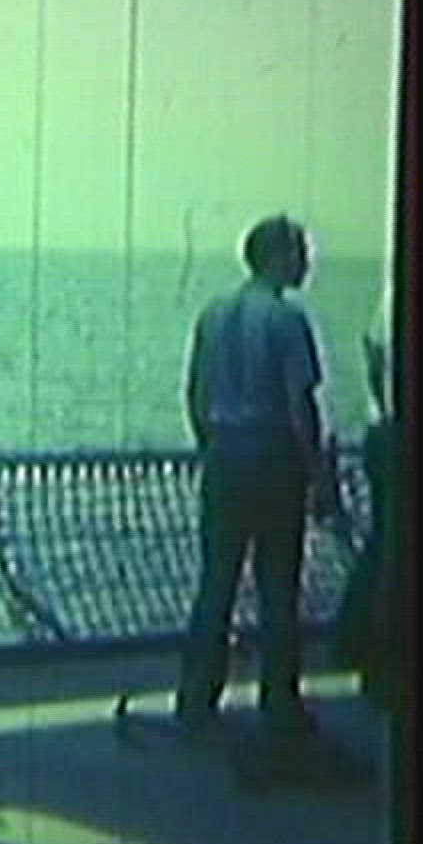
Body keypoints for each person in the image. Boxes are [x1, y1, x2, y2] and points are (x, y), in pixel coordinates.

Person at [174, 214, 340, 740]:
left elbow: (195, 394)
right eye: (300, 252)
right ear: (278, 257)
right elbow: (300, 405)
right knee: (278, 587)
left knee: (215, 584)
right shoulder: (288, 321)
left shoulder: (212, 314)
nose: (307, 262)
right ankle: (280, 703)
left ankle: (196, 699)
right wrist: (319, 475)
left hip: (224, 457)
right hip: (273, 460)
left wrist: (211, 445)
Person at [332, 285, 400, 709]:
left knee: (383, 546)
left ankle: (360, 647)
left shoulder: (389, 297)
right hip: (397, 434)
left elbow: (372, 349)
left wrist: (382, 405)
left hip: (384, 432)